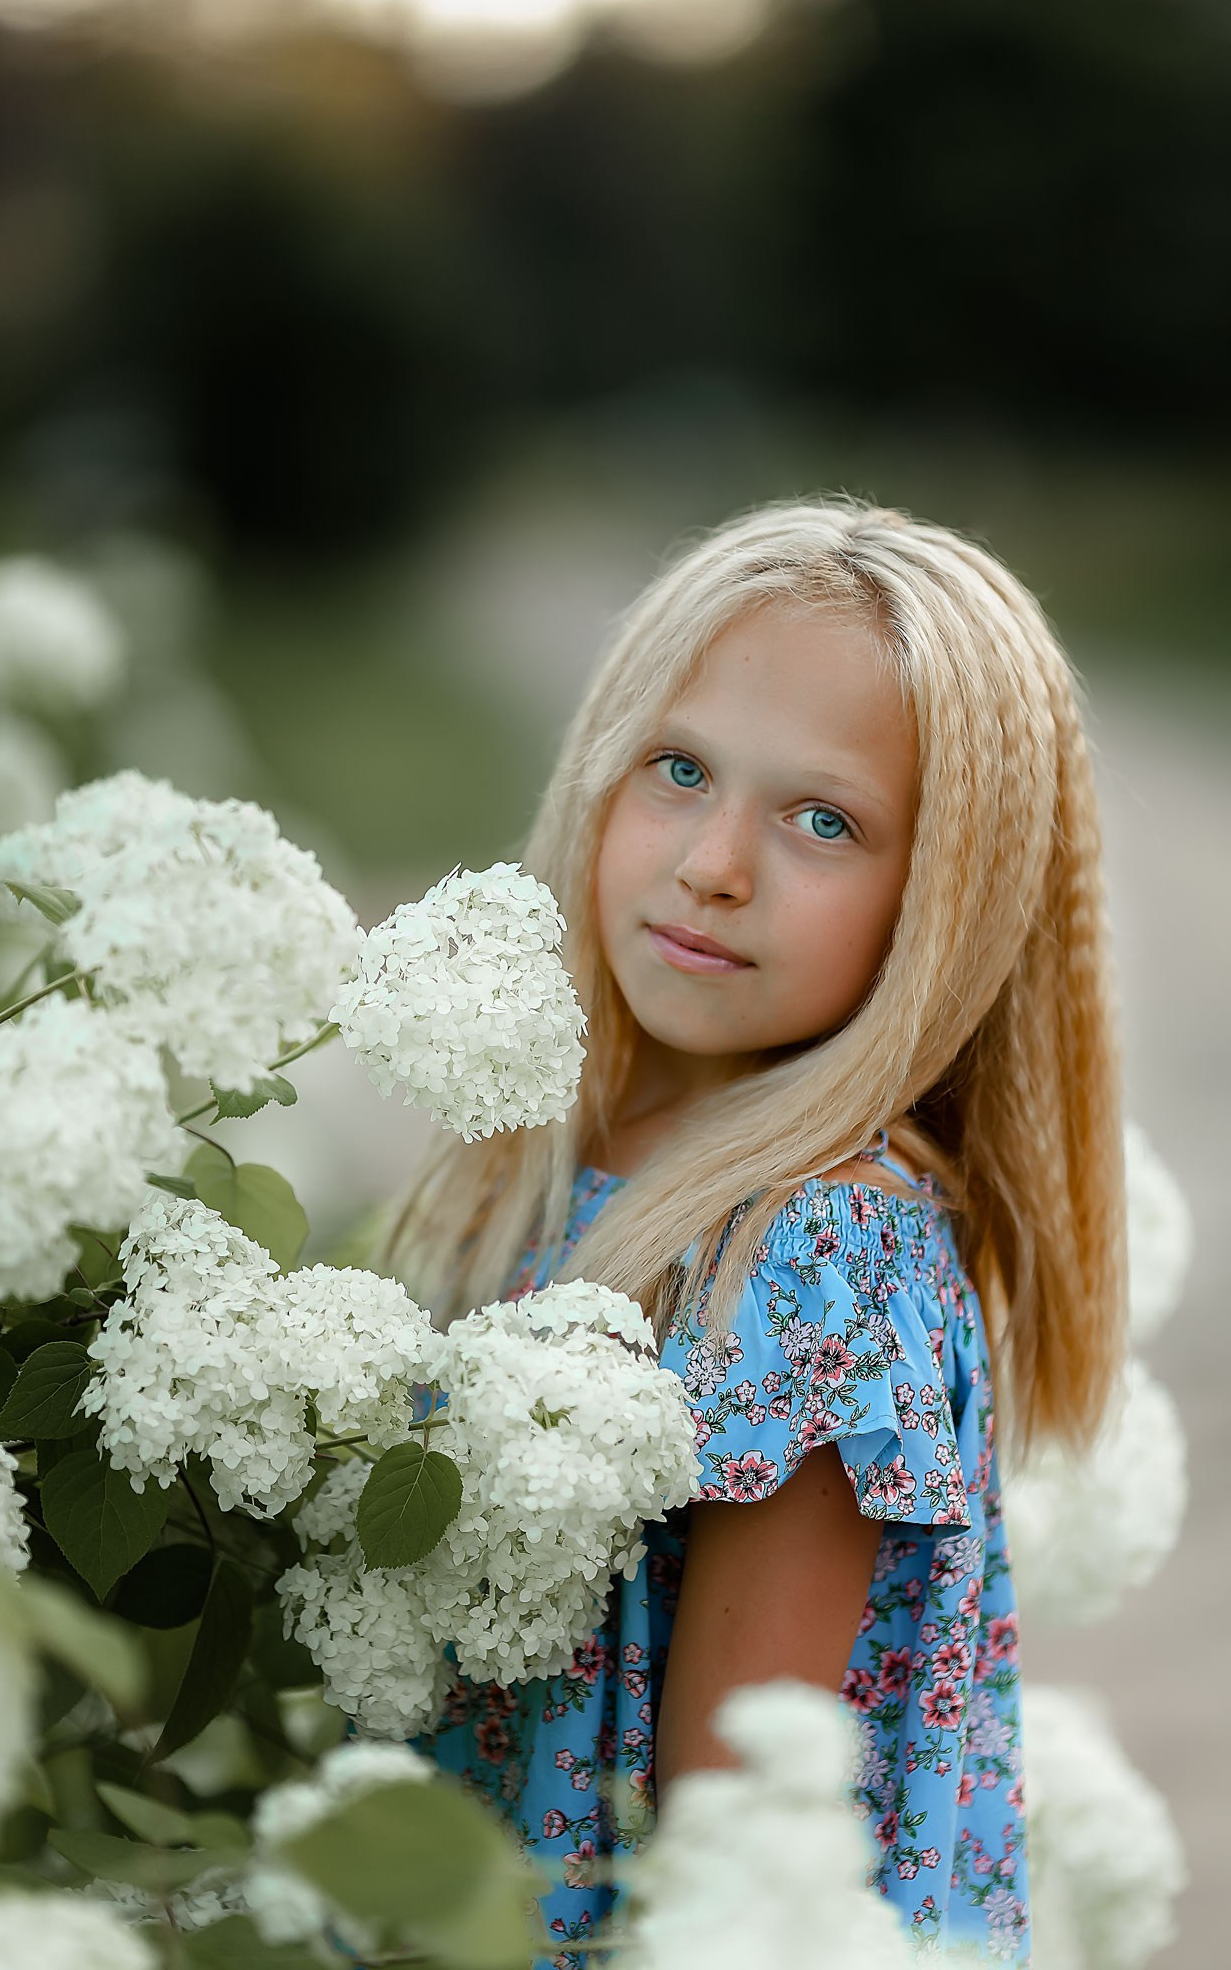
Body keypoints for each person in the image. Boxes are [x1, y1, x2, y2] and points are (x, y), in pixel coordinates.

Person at [387, 498, 1128, 1965]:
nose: (713, 862)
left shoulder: (817, 1253)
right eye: (677, 770)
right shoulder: (558, 1157)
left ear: (942, 903)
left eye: (820, 820)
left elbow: (728, 1843)